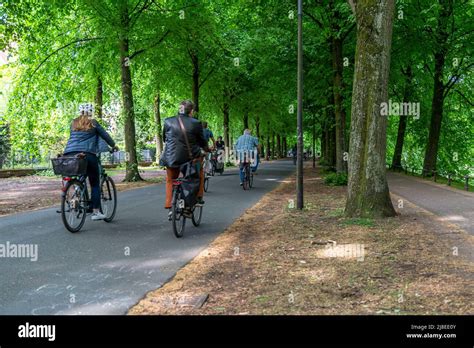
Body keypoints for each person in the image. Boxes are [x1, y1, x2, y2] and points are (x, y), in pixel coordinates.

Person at [63, 103, 118, 221]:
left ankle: (76, 192)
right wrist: (113, 145)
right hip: (87, 154)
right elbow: (105, 136)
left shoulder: (73, 123)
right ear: (91, 112)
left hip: (70, 153)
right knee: (94, 183)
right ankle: (96, 212)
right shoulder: (93, 123)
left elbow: (74, 139)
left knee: (79, 176)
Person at [161, 100, 209, 219]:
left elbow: (164, 139)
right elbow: (202, 142)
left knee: (170, 179)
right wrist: (207, 149)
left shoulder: (167, 121)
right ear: (191, 111)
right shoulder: (196, 123)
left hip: (171, 158)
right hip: (190, 159)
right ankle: (198, 197)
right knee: (198, 174)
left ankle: (169, 204)